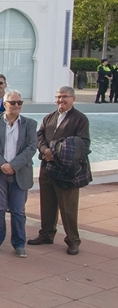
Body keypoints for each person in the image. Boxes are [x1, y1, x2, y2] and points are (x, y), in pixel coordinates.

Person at [30, 86, 90, 255]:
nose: (61, 100)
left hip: (67, 172)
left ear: (73, 98)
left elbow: (84, 144)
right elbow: (39, 136)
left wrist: (56, 152)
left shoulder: (80, 119)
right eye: (58, 97)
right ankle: (46, 234)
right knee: (47, 204)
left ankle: (73, 240)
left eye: (64, 97)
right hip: (47, 168)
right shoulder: (50, 117)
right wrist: (44, 150)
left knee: (68, 208)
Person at [0, 91, 38, 258]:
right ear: (4, 104)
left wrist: (13, 165)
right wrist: (2, 164)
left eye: (19, 102)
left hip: (20, 173)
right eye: (12, 102)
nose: (16, 105)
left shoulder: (30, 124)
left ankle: (19, 244)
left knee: (18, 211)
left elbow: (31, 147)